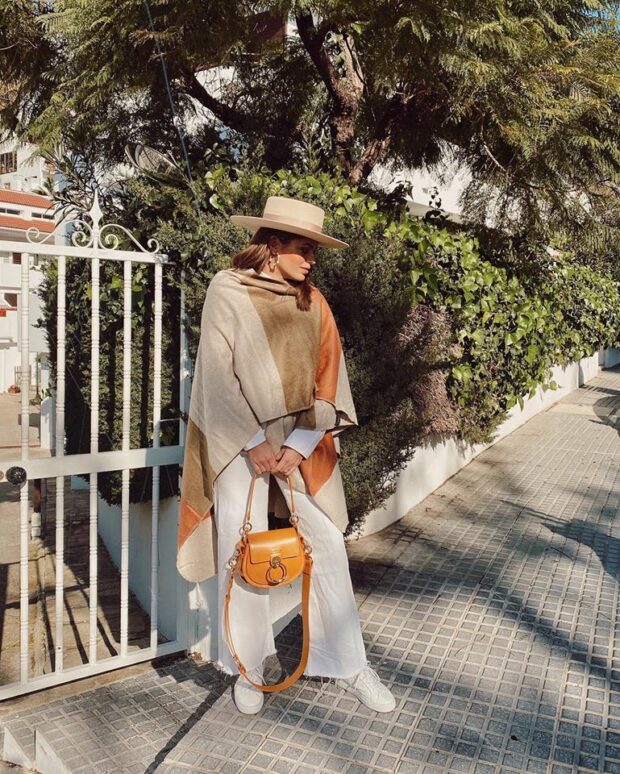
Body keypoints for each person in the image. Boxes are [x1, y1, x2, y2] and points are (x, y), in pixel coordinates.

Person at [177, 195, 395, 715]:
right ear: (272, 245)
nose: (311, 260)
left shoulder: (314, 303)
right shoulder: (227, 290)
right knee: (242, 551)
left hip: (300, 444)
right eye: (304, 248)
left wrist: (297, 446)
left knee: (328, 546)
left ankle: (347, 663)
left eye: (314, 251)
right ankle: (250, 668)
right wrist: (254, 443)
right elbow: (216, 375)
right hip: (239, 446)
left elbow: (329, 378)